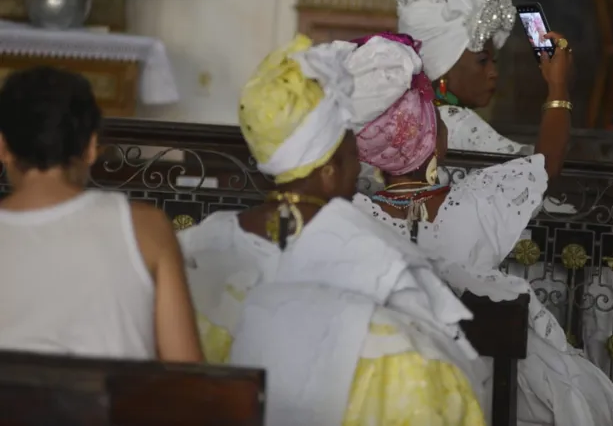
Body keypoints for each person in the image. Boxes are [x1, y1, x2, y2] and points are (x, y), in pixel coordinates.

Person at [186, 35, 488, 425]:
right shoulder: (381, 261)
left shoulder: (201, 246)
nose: (357, 173)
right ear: (329, 174)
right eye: (350, 161)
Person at [347, 32, 613, 426]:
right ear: (433, 145)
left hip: (378, 393)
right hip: (478, 390)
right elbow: (547, 162)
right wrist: (558, 87)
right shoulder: (475, 202)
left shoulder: (353, 217)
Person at [0, 66, 202, 363]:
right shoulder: (146, 227)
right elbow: (188, 379)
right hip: (114, 409)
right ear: (91, 147)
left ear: (3, 147)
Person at [383, 0, 571, 179]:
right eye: (482, 61)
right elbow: (540, 174)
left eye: (494, 61)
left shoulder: (403, 114)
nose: (493, 73)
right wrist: (558, 86)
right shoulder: (454, 122)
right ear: (442, 68)